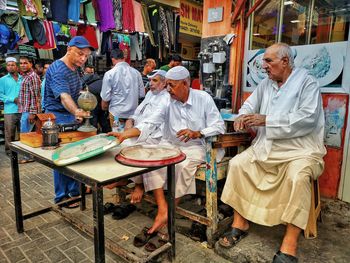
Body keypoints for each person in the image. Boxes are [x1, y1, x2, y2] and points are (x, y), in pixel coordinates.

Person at [219, 43, 326, 263]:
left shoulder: (307, 83)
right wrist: (243, 116)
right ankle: (240, 222)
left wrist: (267, 120)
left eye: (269, 61)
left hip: (301, 150)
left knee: (298, 177)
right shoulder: (266, 84)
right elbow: (249, 105)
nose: (264, 65)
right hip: (267, 146)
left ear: (285, 61)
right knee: (238, 164)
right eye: (264, 61)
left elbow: (308, 119)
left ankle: (290, 243)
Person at [138, 66, 225, 241]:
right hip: (172, 145)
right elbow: (150, 123)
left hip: (198, 146)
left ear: (185, 83)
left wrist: (198, 132)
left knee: (183, 164)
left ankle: (165, 215)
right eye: (167, 85)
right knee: (152, 159)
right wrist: (126, 134)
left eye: (172, 85)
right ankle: (164, 210)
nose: (168, 89)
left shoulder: (203, 98)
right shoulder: (167, 100)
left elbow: (219, 126)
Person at [44, 36, 92, 206]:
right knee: (62, 156)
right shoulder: (58, 69)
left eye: (86, 56)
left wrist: (83, 102)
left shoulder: (77, 67)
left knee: (76, 154)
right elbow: (64, 97)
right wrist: (77, 111)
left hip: (70, 114)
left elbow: (76, 92)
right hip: (58, 116)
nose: (83, 59)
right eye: (80, 54)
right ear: (69, 49)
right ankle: (62, 196)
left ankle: (75, 190)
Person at [108, 69, 170, 202]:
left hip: (154, 137)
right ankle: (124, 178)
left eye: (155, 80)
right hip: (138, 131)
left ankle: (139, 185)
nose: (151, 84)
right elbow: (137, 112)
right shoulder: (150, 95)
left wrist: (126, 134)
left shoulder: (166, 99)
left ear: (164, 83)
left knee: (133, 148)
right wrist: (130, 120)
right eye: (151, 80)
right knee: (119, 147)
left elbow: (150, 124)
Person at [100, 49, 144, 129]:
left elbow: (105, 97)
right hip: (132, 115)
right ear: (124, 58)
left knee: (117, 138)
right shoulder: (136, 73)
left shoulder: (109, 74)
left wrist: (104, 108)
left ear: (113, 59)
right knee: (130, 139)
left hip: (116, 113)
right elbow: (141, 94)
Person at [18, 56, 41, 163]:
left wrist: (32, 113)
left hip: (29, 111)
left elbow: (36, 96)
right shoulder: (25, 76)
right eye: (21, 63)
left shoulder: (33, 77)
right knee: (25, 133)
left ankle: (28, 157)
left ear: (31, 64)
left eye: (25, 63)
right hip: (25, 110)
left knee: (26, 134)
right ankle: (28, 156)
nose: (23, 65)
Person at [0, 57, 22, 157]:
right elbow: (1, 95)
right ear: (6, 67)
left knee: (23, 132)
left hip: (23, 110)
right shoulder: (3, 80)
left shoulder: (23, 78)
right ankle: (10, 152)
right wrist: (13, 99)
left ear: (16, 66)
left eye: (12, 65)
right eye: (8, 65)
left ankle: (23, 151)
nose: (10, 67)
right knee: (10, 133)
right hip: (10, 110)